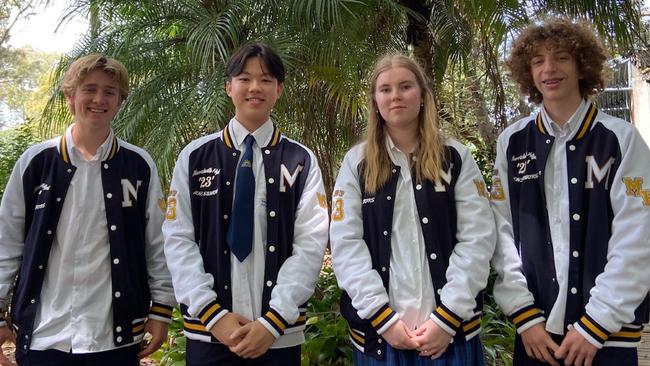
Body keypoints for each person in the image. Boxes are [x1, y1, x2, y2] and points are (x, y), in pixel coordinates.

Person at [491, 18, 650, 366]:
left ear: (582, 65)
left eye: (561, 57)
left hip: (608, 336)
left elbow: (638, 238)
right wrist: (524, 315)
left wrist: (596, 324)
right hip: (536, 336)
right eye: (537, 61)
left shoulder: (620, 140)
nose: (549, 68)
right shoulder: (512, 143)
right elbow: (501, 235)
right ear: (527, 72)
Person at [0, 54, 175, 366]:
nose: (99, 99)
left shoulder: (139, 166)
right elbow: (7, 242)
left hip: (114, 335)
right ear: (70, 96)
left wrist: (161, 308)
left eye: (110, 91)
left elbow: (157, 243)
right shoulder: (36, 163)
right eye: (89, 89)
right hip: (43, 334)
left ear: (120, 101)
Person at [162, 42, 329, 366]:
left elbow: (310, 244)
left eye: (266, 79)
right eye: (244, 78)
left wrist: (274, 320)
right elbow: (178, 239)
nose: (255, 87)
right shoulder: (195, 157)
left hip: (278, 335)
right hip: (209, 333)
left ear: (279, 89)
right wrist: (212, 315)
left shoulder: (300, 160)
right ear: (228, 87)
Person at [329, 54, 496, 365]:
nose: (395, 96)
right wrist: (384, 320)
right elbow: (345, 245)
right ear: (375, 100)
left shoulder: (455, 157)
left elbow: (478, 239)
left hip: (451, 335)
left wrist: (447, 318)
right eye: (385, 89)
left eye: (405, 86)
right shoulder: (356, 164)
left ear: (422, 94)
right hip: (381, 339)